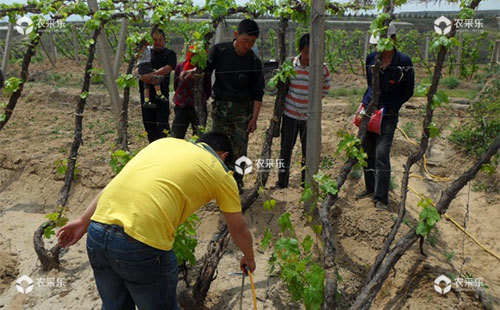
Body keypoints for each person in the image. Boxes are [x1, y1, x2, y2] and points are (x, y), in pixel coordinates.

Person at [57, 132, 256, 310]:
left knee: (114, 306)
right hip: (141, 242)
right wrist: (249, 257)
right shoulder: (220, 173)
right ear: (224, 156)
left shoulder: (163, 144)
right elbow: (238, 228)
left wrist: (83, 221)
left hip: (97, 232)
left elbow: (115, 183)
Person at [185, 19, 265, 191]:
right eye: (246, 41)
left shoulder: (254, 62)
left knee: (239, 147)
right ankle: (217, 180)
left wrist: (254, 118)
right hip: (221, 108)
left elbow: (258, 93)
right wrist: (193, 71)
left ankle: (237, 182)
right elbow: (205, 69)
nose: (248, 45)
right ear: (236, 35)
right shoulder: (220, 51)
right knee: (218, 145)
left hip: (242, 110)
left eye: (252, 42)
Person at [355, 23, 415, 211]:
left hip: (388, 115)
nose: (379, 48)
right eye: (377, 44)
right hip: (369, 111)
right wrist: (369, 104)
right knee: (367, 150)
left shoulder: (404, 62)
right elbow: (370, 83)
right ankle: (370, 187)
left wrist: (392, 106)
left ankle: (381, 198)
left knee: (382, 154)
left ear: (394, 40)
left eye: (384, 43)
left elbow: (408, 91)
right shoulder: (371, 59)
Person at [276, 33, 331, 189]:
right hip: (290, 115)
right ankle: (282, 182)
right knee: (285, 150)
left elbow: (326, 88)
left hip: (309, 118)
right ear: (300, 50)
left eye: (312, 53)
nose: (308, 57)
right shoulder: (290, 66)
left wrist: (313, 103)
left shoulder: (322, 68)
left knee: (308, 152)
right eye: (306, 52)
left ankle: (305, 182)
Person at [138, 26, 177, 143]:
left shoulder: (170, 54)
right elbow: (137, 68)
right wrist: (142, 76)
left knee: (162, 125)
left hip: (161, 96)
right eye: (155, 40)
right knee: (148, 124)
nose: (158, 42)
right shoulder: (145, 53)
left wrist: (150, 75)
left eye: (160, 40)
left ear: (165, 40)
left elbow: (167, 68)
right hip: (146, 96)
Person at [171, 46, 211, 139]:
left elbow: (207, 87)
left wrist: (202, 100)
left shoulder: (203, 69)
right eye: (192, 54)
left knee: (199, 136)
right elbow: (176, 84)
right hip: (182, 105)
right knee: (177, 134)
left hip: (198, 107)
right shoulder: (180, 66)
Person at [137, 42, 165, 109]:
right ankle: (158, 94)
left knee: (146, 85)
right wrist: (142, 47)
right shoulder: (139, 49)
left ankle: (146, 101)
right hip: (143, 66)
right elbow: (138, 56)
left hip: (147, 65)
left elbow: (155, 47)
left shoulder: (149, 48)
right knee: (156, 79)